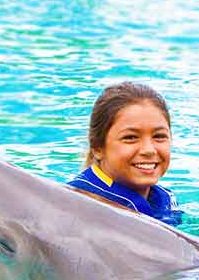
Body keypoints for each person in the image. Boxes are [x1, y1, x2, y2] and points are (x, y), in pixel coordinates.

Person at [67, 81, 183, 226]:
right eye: (130, 137)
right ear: (98, 147)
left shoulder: (161, 198)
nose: (149, 150)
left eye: (159, 136)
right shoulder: (81, 207)